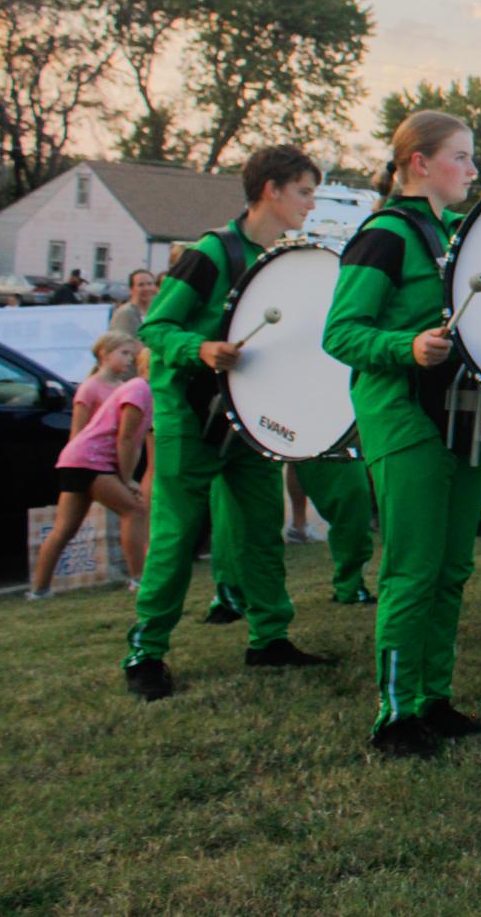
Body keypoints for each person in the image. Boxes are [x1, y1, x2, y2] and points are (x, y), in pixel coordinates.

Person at [122, 146, 332, 701]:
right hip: (190, 416)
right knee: (176, 536)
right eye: (305, 192)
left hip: (249, 418)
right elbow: (156, 329)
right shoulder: (210, 254)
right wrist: (203, 347)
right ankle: (146, 652)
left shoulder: (281, 258)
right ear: (271, 189)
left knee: (261, 530)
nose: (311, 204)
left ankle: (270, 637)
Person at [323, 112, 481, 756]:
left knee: (452, 567)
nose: (472, 170)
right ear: (420, 163)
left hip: (461, 413)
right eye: (461, 157)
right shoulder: (384, 236)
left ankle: (432, 699)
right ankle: (395, 714)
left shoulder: (452, 234)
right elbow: (339, 332)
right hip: (403, 415)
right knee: (413, 570)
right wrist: (406, 345)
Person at [30, 339, 151, 599]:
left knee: (65, 528)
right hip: (91, 459)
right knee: (134, 510)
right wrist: (127, 479)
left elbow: (135, 441)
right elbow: (126, 439)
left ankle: (38, 591)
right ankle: (139, 579)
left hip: (76, 459)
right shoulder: (140, 390)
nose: (128, 359)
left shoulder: (132, 388)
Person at [65, 330, 138, 441]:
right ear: (105, 354)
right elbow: (77, 433)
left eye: (131, 354)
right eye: (124, 353)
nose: (130, 359)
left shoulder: (124, 388)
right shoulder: (89, 388)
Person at [109, 269, 158, 337]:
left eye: (149, 284)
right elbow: (122, 342)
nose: (146, 288)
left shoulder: (157, 311)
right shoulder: (125, 313)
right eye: (141, 285)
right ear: (131, 289)